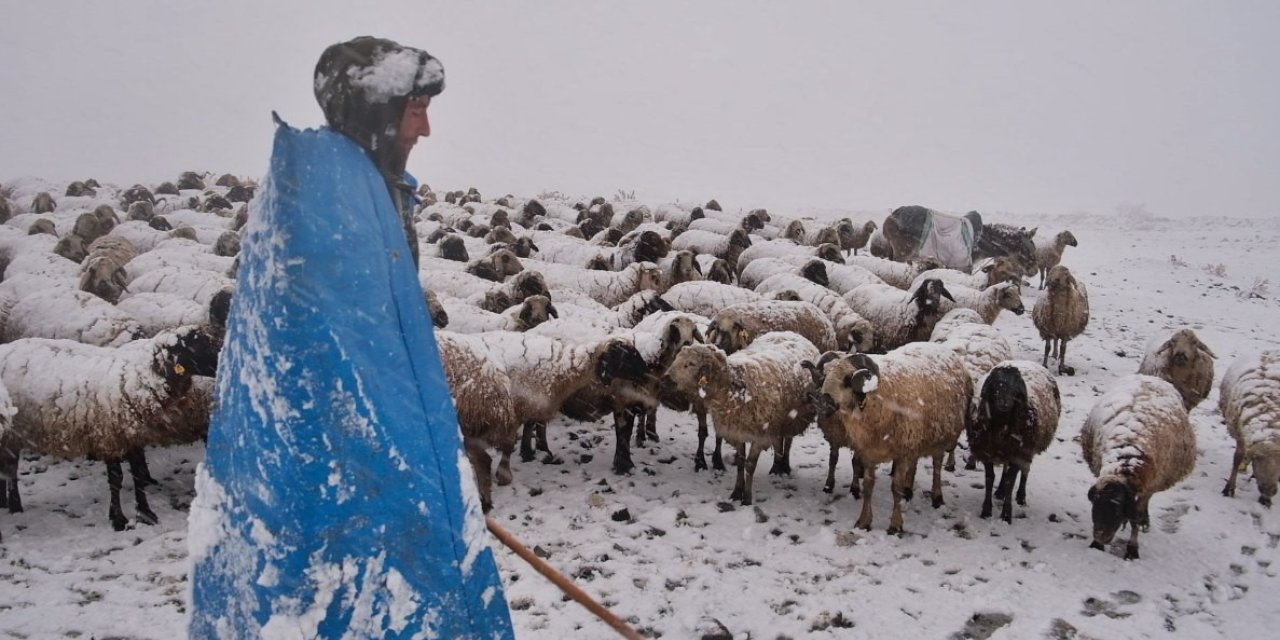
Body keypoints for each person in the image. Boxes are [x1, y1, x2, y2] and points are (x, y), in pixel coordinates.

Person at [188, 37, 514, 638]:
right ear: (377, 113)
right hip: (339, 468)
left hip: (350, 459)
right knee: (345, 597)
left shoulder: (353, 187)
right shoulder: (328, 200)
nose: (427, 128)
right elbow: (343, 363)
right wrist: (407, 470)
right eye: (417, 109)